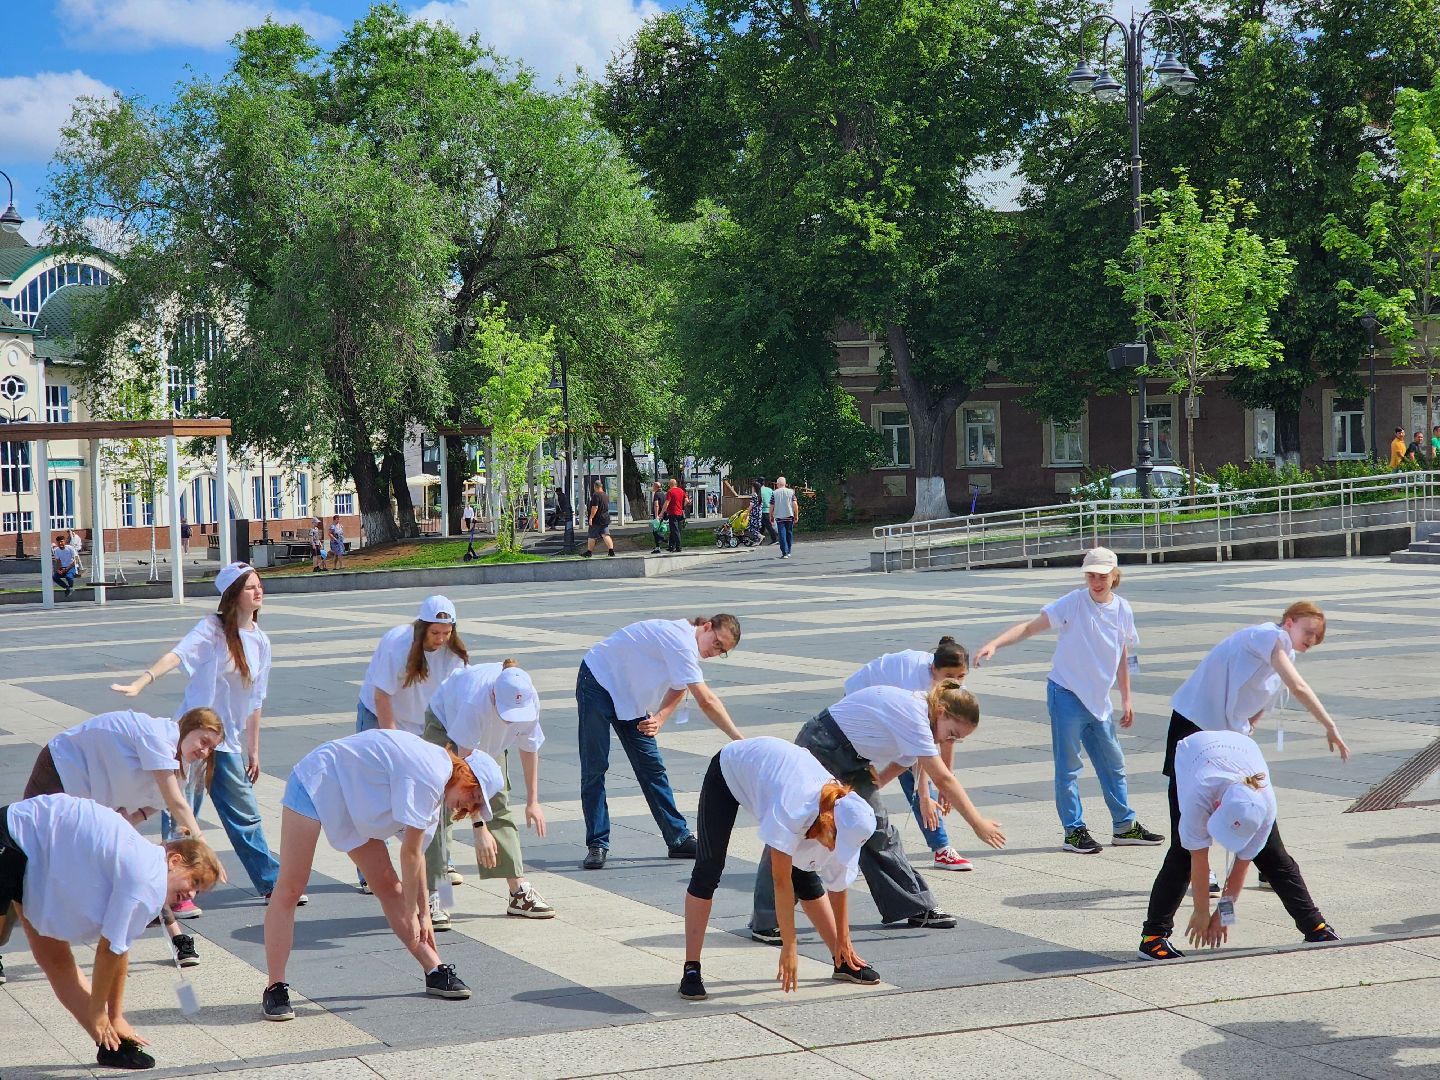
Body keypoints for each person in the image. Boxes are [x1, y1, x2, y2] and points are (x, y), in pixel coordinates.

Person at [1138, 602, 1348, 960]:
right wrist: (1329, 724)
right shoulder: (1266, 637)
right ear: (1288, 622)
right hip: (1192, 734)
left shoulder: (1282, 655)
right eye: (1307, 630)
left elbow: (1258, 703)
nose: (1313, 639)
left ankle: (1314, 926)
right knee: (1184, 844)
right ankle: (1153, 937)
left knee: (1267, 842)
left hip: (1232, 744)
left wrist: (1224, 914)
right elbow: (1200, 854)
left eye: (1319, 635)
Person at [260, 729, 503, 1020]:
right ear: (465, 774)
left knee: (391, 887)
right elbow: (409, 854)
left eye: (478, 804)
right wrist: (418, 911)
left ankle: (435, 969)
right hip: (317, 781)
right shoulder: (430, 775)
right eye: (474, 795)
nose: (470, 806)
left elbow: (418, 857)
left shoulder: (438, 787)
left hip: (356, 800)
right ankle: (275, 987)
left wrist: (424, 911)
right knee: (290, 887)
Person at [749, 681, 1003, 943]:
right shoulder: (915, 716)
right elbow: (944, 779)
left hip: (851, 757)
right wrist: (977, 823)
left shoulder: (924, 716)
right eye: (951, 734)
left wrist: (875, 785)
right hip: (821, 745)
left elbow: (904, 761)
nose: (948, 741)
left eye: (955, 740)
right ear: (941, 711)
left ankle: (914, 905)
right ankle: (767, 920)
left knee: (876, 827)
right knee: (799, 829)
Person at [0, 793, 222, 1069]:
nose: (191, 893)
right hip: (12, 839)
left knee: (54, 958)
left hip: (32, 853)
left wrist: (115, 1016)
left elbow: (120, 946)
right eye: (194, 881)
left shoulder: (148, 866)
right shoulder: (146, 878)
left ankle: (111, 1045)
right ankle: (106, 1036)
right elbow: (109, 949)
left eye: (198, 890)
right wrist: (97, 1012)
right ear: (174, 860)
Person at [111, 562, 285, 911]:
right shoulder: (213, 630)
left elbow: (256, 700)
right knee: (180, 815)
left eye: (259, 585)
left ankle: (272, 883)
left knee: (246, 815)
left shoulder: (261, 641)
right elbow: (177, 655)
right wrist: (142, 680)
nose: (258, 592)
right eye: (250, 587)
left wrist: (254, 750)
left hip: (228, 743)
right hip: (192, 740)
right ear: (233, 596)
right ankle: (177, 893)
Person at [975, 546, 1163, 854]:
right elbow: (1030, 627)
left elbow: (1124, 652)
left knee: (1113, 764)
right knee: (1068, 767)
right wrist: (995, 644)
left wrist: (1127, 698)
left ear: (1114, 575)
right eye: (1091, 575)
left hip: (1099, 701)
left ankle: (1124, 827)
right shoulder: (1073, 603)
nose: (1096, 581)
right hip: (1066, 694)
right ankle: (1074, 831)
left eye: (1102, 575)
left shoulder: (1123, 609)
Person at [21, 707, 225, 970]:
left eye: (211, 748)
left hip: (94, 798)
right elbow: (176, 802)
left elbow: (160, 801)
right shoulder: (158, 737)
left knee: (136, 866)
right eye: (203, 741)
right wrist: (203, 846)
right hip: (61, 770)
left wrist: (124, 823)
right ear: (187, 727)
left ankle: (177, 938)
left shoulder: (179, 762)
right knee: (27, 860)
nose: (205, 752)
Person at [681, 736, 880, 1000]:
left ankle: (842, 960)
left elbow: (839, 880)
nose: (834, 850)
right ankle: (691, 968)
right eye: (836, 842)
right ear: (828, 821)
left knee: (807, 875)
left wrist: (845, 939)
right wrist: (789, 946)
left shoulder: (845, 811)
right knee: (709, 869)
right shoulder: (793, 809)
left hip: (774, 776)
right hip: (730, 769)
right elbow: (781, 881)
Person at [577, 614, 745, 869]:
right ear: (707, 626)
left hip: (631, 699)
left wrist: (660, 718)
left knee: (652, 768)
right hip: (598, 682)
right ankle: (597, 843)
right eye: (718, 643)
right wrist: (739, 739)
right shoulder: (681, 641)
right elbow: (706, 701)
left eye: (723, 651)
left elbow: (679, 686)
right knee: (595, 766)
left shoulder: (688, 648)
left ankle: (678, 839)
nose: (715, 651)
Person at [422, 659, 552, 925]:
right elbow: (467, 778)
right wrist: (479, 826)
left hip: (488, 743)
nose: (510, 719)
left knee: (500, 802)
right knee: (441, 806)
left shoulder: (527, 699)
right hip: (447, 726)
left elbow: (529, 748)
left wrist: (533, 801)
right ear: (494, 694)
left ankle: (518, 892)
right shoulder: (473, 703)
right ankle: (438, 894)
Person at [354, 595, 469, 891]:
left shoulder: (454, 655)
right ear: (421, 628)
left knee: (434, 788)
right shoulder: (398, 643)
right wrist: (393, 745)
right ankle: (369, 873)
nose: (441, 639)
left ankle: (438, 858)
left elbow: (457, 700)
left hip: (424, 722)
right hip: (380, 715)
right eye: (435, 633)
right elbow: (382, 697)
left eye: (447, 633)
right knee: (377, 793)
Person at [843, 637, 974, 871]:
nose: (956, 682)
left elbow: (946, 736)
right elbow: (922, 749)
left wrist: (947, 779)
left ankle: (940, 849)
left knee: (900, 769)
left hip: (890, 708)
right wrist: (925, 793)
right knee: (892, 771)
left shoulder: (952, 688)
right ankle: (941, 848)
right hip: (863, 701)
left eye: (961, 676)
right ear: (934, 669)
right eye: (950, 676)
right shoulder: (916, 682)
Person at [584, 480, 614, 558]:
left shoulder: (596, 495)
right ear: (601, 486)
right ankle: (611, 551)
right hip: (605, 518)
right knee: (605, 535)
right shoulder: (605, 495)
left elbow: (595, 507)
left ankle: (589, 552)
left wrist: (591, 517)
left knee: (592, 536)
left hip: (597, 519)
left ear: (595, 487)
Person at [771, 476, 799, 559]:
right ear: (785, 484)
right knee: (789, 533)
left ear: (777, 484)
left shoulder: (774, 493)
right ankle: (789, 550)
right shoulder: (791, 492)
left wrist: (770, 515)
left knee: (782, 534)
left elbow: (771, 505)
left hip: (779, 516)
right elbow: (795, 504)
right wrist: (796, 515)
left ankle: (784, 552)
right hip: (789, 515)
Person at [663, 478, 687, 553]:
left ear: (670, 484)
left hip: (673, 513)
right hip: (680, 513)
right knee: (674, 530)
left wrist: (662, 513)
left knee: (675, 531)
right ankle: (671, 546)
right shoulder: (681, 490)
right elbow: (687, 500)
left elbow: (667, 503)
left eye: (669, 484)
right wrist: (682, 507)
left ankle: (678, 547)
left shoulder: (670, 492)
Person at [649, 481, 666, 554]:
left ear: (656, 487)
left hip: (658, 515)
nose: (652, 487)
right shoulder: (663, 494)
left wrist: (656, 516)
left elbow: (656, 505)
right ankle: (658, 546)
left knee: (655, 531)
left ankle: (665, 541)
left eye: (653, 486)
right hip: (662, 514)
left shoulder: (656, 494)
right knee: (658, 530)